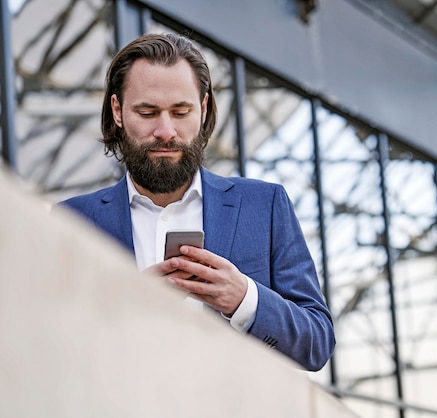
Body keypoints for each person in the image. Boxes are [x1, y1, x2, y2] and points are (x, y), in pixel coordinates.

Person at [59, 33, 335, 371]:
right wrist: (123, 311)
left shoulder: (264, 206)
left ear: (203, 110)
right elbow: (45, 347)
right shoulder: (70, 221)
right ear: (117, 111)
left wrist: (243, 298)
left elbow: (316, 344)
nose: (165, 130)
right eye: (147, 112)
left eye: (180, 111)